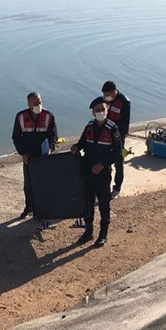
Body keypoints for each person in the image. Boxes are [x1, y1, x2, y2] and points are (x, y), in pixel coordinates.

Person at [71, 97, 122, 246]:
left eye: (102, 109)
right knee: (87, 202)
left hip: (103, 173)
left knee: (104, 203)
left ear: (107, 110)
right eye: (97, 110)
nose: (100, 112)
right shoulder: (89, 126)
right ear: (93, 112)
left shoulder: (113, 129)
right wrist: (75, 147)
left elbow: (118, 153)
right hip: (87, 171)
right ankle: (88, 231)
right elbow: (82, 143)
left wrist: (103, 164)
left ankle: (103, 234)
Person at [11, 92, 58, 219]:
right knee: (29, 184)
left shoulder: (49, 116)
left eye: (40, 102)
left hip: (44, 156)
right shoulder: (21, 117)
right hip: (29, 157)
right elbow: (16, 137)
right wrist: (22, 153)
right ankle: (29, 207)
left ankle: (45, 208)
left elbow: (53, 134)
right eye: (35, 103)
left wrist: (50, 148)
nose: (38, 105)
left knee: (45, 183)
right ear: (29, 104)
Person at [100, 81, 131, 199]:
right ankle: (104, 186)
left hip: (118, 136)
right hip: (106, 135)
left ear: (114, 92)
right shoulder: (105, 101)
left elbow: (125, 124)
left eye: (107, 94)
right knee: (105, 161)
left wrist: (118, 138)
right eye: (104, 95)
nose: (105, 97)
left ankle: (117, 188)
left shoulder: (124, 102)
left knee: (118, 162)